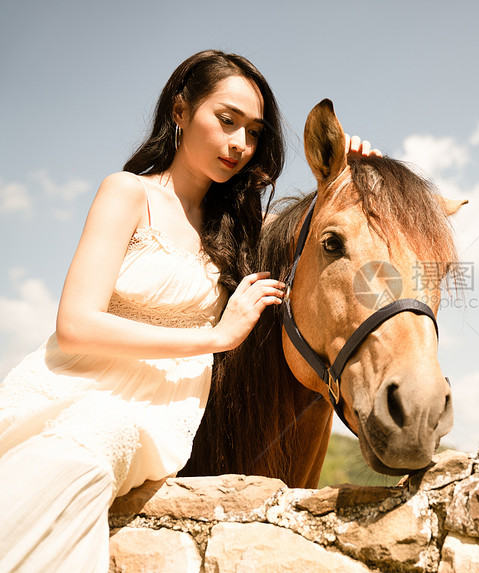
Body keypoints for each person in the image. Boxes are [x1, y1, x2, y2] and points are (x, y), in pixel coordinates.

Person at [0, 49, 374, 572]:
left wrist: (343, 173)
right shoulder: (127, 193)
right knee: (65, 458)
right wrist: (215, 339)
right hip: (75, 391)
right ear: (180, 111)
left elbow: (326, 249)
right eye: (226, 121)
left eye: (253, 132)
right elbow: (75, 325)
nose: (240, 144)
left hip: (157, 415)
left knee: (97, 441)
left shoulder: (241, 233)